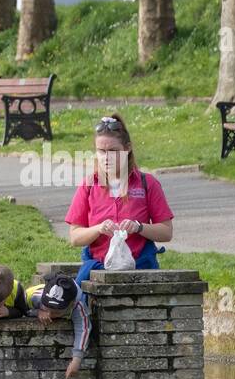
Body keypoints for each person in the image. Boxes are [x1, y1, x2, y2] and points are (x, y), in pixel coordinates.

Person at [65, 113, 174, 288]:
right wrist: (99, 229)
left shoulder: (148, 184)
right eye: (101, 151)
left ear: (127, 148)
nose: (106, 157)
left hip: (141, 270)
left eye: (113, 151)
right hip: (98, 273)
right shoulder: (89, 185)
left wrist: (139, 227)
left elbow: (166, 232)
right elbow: (75, 237)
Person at [28, 273, 91, 379]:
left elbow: (83, 329)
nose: (50, 315)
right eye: (47, 309)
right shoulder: (36, 297)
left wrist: (76, 359)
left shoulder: (78, 306)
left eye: (56, 313)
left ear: (70, 305)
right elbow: (23, 307)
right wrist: (39, 311)